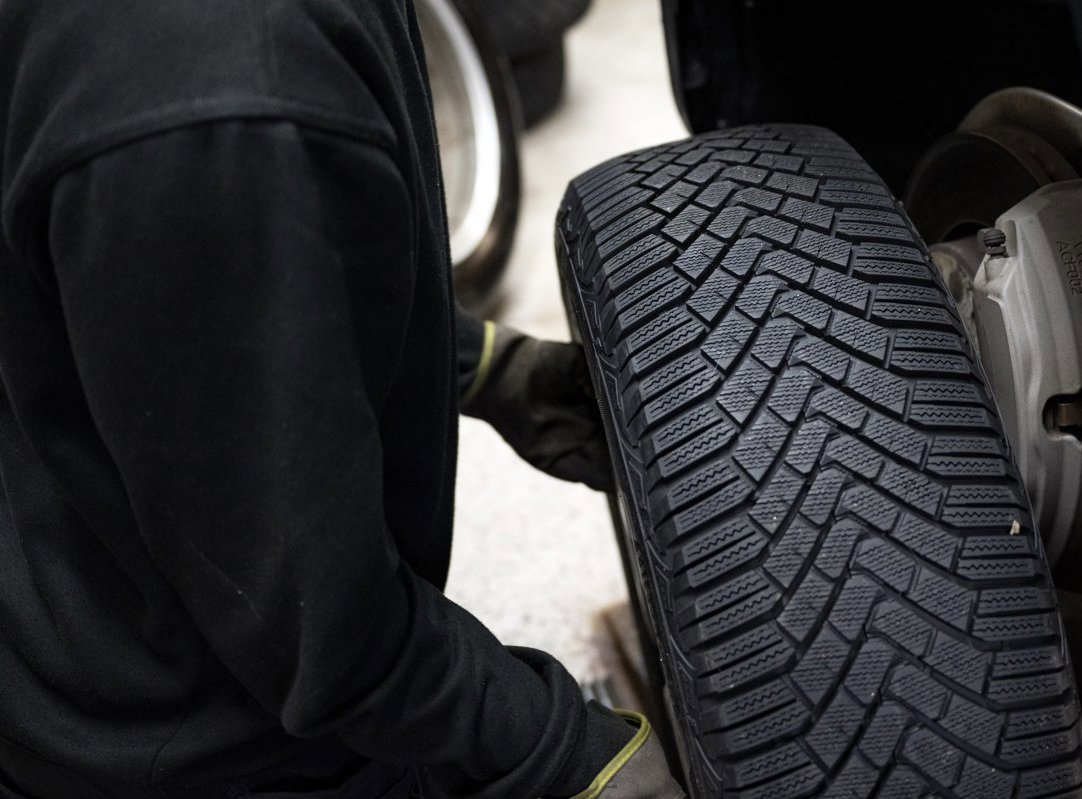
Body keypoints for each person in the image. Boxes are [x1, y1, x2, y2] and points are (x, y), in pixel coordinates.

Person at [0, 1, 684, 797]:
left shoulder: (215, 112)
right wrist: (558, 748)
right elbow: (321, 636)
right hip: (207, 747)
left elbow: (187, 282)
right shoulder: (213, 99)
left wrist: (480, 363)